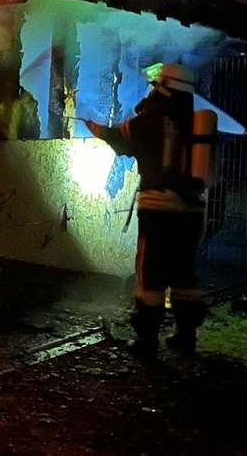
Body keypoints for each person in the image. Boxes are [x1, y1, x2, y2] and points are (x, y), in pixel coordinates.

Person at [82, 62, 209, 358]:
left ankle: (147, 340)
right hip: (191, 212)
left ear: (164, 88)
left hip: (158, 211)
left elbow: (121, 138)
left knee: (150, 272)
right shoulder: (196, 121)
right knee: (184, 273)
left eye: (155, 86)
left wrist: (95, 127)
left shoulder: (151, 119)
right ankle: (186, 336)